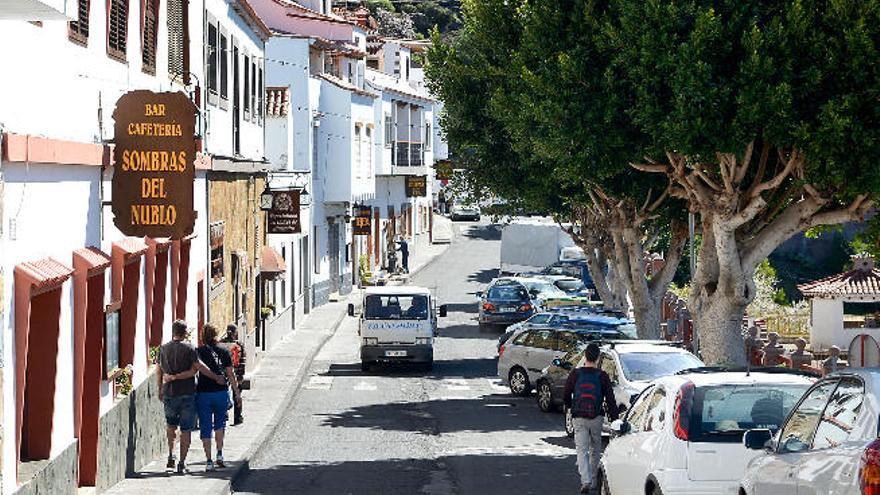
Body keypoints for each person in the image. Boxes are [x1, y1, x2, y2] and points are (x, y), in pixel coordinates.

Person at [157, 320, 224, 474]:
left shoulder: (163, 348)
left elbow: (159, 370)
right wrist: (215, 376)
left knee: (171, 426)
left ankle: (171, 453)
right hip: (187, 393)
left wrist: (160, 388)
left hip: (169, 393)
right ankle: (181, 463)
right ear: (185, 332)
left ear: (173, 331)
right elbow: (198, 367)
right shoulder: (190, 348)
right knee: (186, 429)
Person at [563, 343, 619, 494]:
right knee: (595, 449)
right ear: (598, 358)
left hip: (579, 416)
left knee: (581, 450)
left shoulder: (575, 374)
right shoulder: (602, 376)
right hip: (596, 417)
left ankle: (585, 480)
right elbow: (611, 400)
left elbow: (566, 394)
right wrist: (615, 420)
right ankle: (594, 481)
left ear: (585, 356)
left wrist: (570, 408)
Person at [194, 324, 241, 471]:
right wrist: (237, 393)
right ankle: (219, 454)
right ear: (216, 335)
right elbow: (230, 374)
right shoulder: (224, 352)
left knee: (206, 427)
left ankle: (208, 461)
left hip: (203, 394)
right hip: (220, 393)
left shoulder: (198, 352)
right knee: (220, 424)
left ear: (203, 336)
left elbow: (193, 371)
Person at [219, 323, 246, 425]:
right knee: (237, 395)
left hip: (223, 372)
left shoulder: (221, 343)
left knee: (224, 393)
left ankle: (224, 414)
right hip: (236, 372)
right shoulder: (239, 344)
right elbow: (242, 361)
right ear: (235, 333)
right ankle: (237, 417)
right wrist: (241, 376)